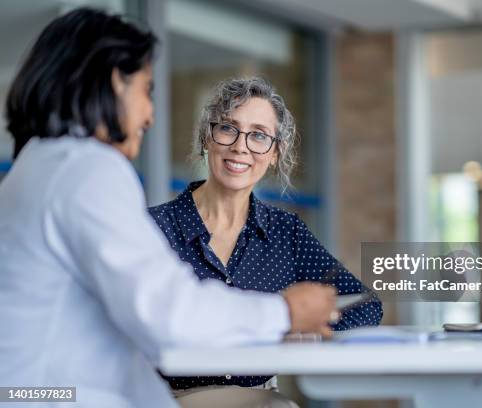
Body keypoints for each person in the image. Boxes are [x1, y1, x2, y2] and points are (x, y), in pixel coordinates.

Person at [0, 8, 337, 408]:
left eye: (259, 136)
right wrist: (282, 312)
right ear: (114, 82)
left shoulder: (37, 166)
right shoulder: (88, 170)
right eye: (146, 90)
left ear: (277, 153)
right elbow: (169, 314)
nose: (150, 114)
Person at [148, 77, 384, 397]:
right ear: (207, 137)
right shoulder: (153, 227)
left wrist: (303, 327)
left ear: (275, 153)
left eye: (259, 135)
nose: (240, 146)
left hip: (258, 398)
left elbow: (365, 304)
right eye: (228, 128)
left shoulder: (286, 233)